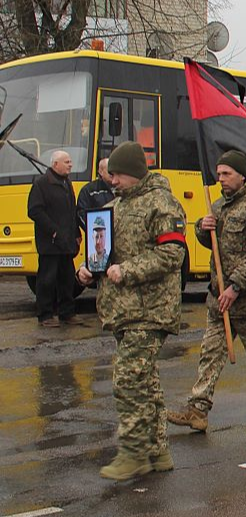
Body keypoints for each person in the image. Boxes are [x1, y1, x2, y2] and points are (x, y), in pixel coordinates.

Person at [76, 141, 187, 480]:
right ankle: (157, 451)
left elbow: (172, 256)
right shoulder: (115, 206)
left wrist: (128, 270)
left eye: (119, 175)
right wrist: (89, 268)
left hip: (151, 310)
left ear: (135, 174)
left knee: (126, 378)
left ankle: (133, 452)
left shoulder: (162, 204)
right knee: (146, 382)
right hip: (122, 310)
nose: (113, 181)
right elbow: (105, 250)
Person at [166, 151, 246, 433]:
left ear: (241, 175)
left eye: (226, 174)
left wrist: (234, 286)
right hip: (219, 299)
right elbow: (214, 243)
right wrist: (201, 228)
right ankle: (198, 409)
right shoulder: (219, 206)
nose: (220, 179)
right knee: (210, 353)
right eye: (218, 173)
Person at [28, 150, 83, 327]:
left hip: (66, 242)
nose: (70, 164)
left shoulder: (67, 183)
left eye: (70, 161)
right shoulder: (41, 184)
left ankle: (67, 313)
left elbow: (72, 211)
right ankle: (45, 315)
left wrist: (76, 233)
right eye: (66, 162)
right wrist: (52, 231)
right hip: (50, 244)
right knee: (46, 280)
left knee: (67, 279)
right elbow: (34, 211)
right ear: (55, 164)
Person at [77, 157, 115, 229]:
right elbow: (81, 213)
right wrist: (94, 229)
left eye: (114, 170)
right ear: (100, 172)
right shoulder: (88, 190)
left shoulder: (123, 188)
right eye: (109, 171)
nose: (112, 173)